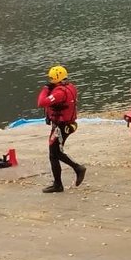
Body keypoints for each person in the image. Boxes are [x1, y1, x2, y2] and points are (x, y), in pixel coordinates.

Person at [37, 64, 85, 193]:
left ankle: (77, 169)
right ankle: (58, 183)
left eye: (51, 79)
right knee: (54, 154)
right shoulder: (70, 87)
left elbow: (41, 102)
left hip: (61, 126)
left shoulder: (59, 92)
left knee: (55, 153)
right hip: (66, 124)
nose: (50, 81)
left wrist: (46, 89)